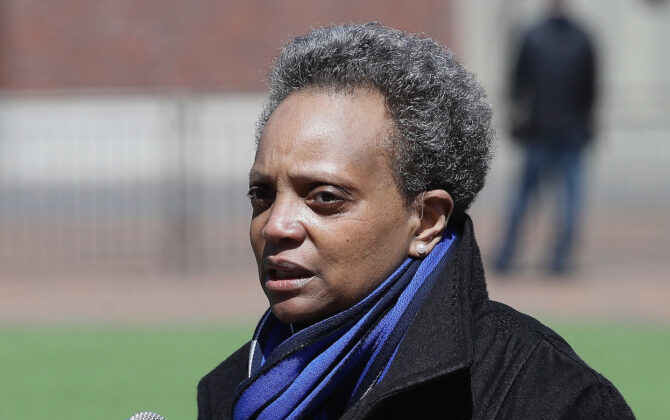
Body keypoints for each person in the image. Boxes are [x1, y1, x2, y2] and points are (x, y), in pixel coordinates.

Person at [197, 23, 633, 419]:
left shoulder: (547, 398)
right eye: (263, 194)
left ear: (426, 221)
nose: (276, 226)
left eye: (325, 197)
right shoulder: (232, 391)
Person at [495, 0, 597, 274]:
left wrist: (516, 114)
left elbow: (517, 83)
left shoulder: (533, 35)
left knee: (526, 196)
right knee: (568, 200)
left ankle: (507, 254)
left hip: (540, 129)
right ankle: (559, 258)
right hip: (569, 129)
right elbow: (591, 88)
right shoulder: (582, 38)